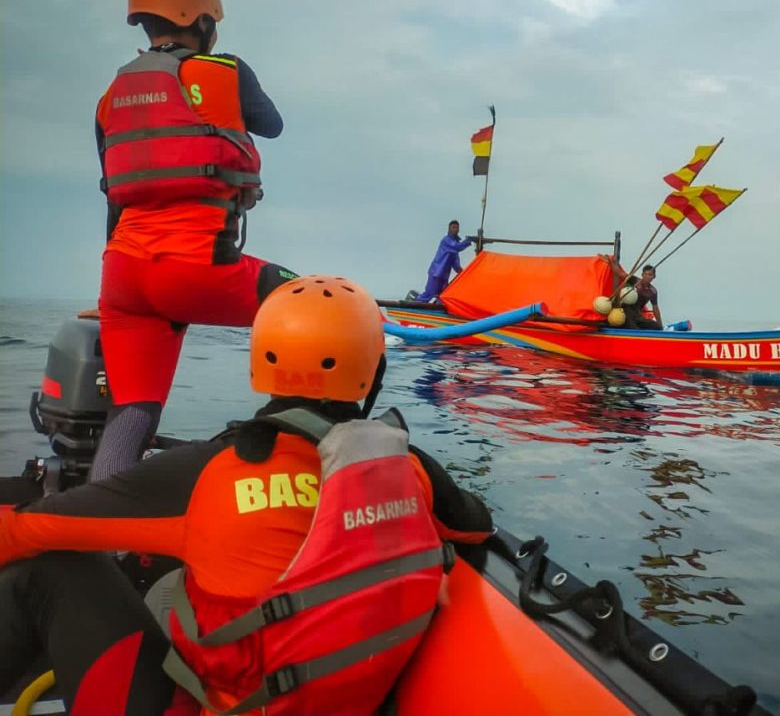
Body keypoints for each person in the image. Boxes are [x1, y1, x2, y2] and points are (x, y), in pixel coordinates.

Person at [0, 276, 493, 715]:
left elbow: (24, 529)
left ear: (260, 360)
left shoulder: (208, 471)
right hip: (352, 698)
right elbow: (475, 528)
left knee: (46, 566)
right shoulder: (410, 469)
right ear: (372, 370)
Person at [92, 0, 297, 482]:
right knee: (324, 308)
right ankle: (282, 468)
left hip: (122, 280)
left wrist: (111, 297)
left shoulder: (110, 99)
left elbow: (114, 200)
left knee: (132, 414)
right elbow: (271, 124)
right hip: (200, 268)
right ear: (201, 21)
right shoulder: (225, 70)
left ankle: (100, 528)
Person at [599, 256, 664, 330]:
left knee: (656, 327)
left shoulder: (653, 291)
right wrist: (611, 262)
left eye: (650, 275)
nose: (647, 276)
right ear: (642, 275)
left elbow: (655, 308)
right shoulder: (635, 281)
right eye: (645, 274)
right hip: (626, 311)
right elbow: (620, 273)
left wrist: (660, 325)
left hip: (637, 314)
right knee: (633, 328)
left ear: (654, 276)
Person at [415, 220, 472, 302]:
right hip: (436, 273)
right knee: (430, 293)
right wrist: (468, 241)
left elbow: (456, 265)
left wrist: (465, 273)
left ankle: (438, 311)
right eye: (453, 227)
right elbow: (457, 247)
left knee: (443, 296)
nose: (455, 229)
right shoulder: (447, 240)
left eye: (457, 228)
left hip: (444, 276)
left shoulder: (455, 246)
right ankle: (416, 306)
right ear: (449, 229)